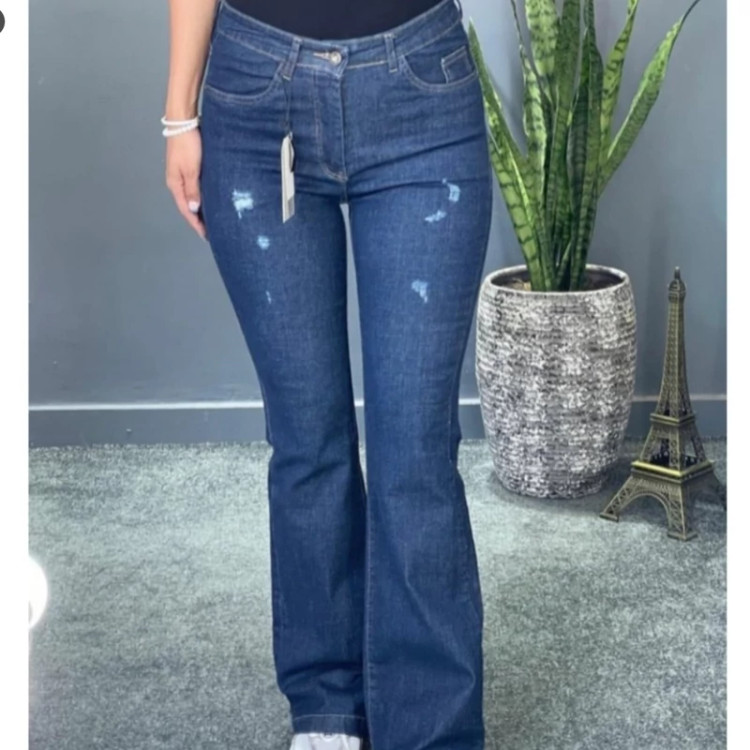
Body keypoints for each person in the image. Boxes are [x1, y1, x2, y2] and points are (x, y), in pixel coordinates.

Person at [162, 0, 491, 748]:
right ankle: (327, 712)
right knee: (308, 440)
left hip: (422, 92)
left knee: (416, 452)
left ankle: (432, 728)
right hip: (254, 96)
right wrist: (178, 115)